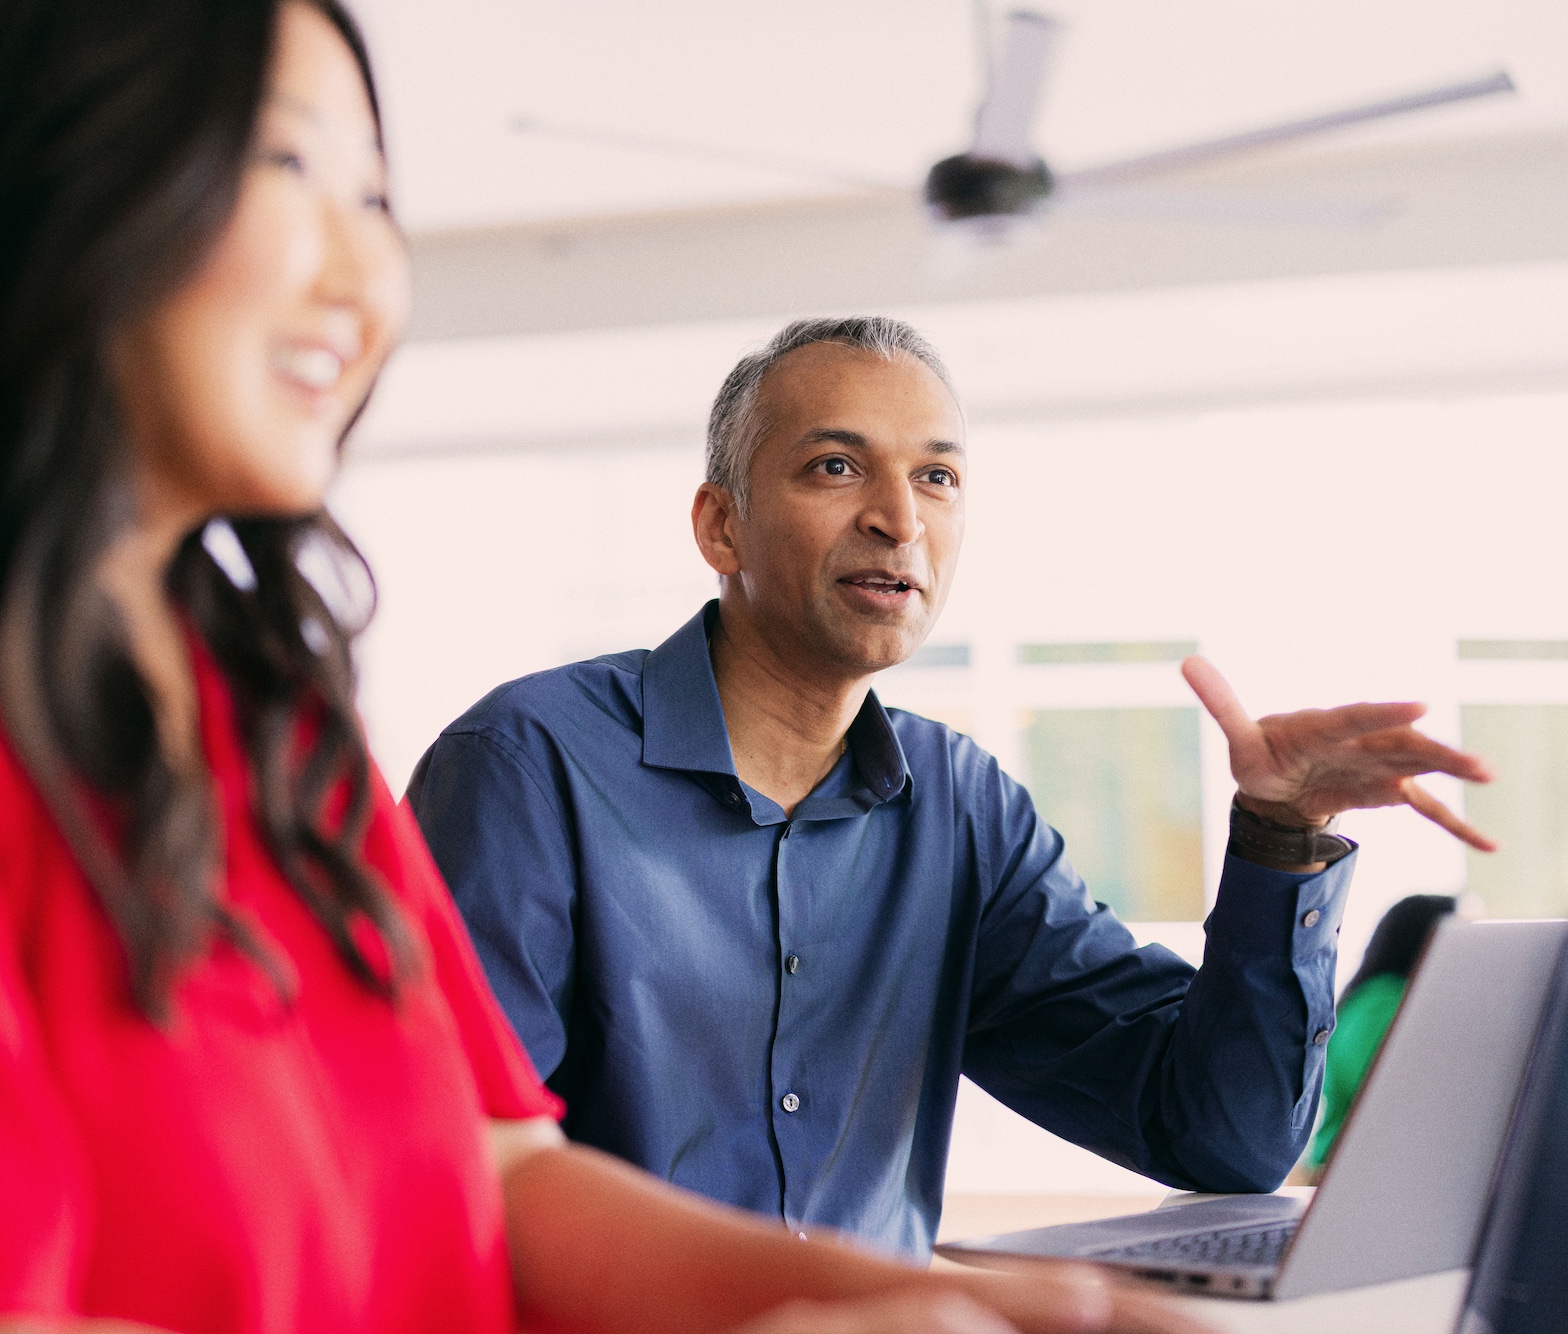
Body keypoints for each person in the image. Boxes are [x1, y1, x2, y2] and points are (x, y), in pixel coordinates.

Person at [0, 4, 1214, 1333]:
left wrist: (983, 1305)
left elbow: (496, 1175)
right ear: (30, 182)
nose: (365, 280)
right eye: (286, 169)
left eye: (376, 198)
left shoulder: (261, 710)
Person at [408, 315, 1499, 1259]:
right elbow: (454, 1177)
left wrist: (1278, 834)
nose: (900, 517)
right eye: (835, 466)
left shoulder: (960, 807)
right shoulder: (525, 767)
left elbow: (1221, 1135)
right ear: (719, 525)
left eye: (935, 475)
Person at [1304, 894, 1462, 1170]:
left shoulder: (1375, 997)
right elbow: (1396, 1095)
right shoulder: (1385, 1003)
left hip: (1363, 1165)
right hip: (1357, 1170)